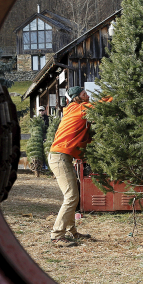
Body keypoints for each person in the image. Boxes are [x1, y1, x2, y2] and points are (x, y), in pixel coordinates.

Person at [48, 86, 95, 244]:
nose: (87, 96)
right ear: (77, 98)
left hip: (63, 157)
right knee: (71, 196)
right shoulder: (77, 108)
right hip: (60, 157)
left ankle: (72, 232)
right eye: (84, 94)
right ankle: (57, 235)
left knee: (72, 195)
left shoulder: (76, 110)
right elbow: (101, 106)